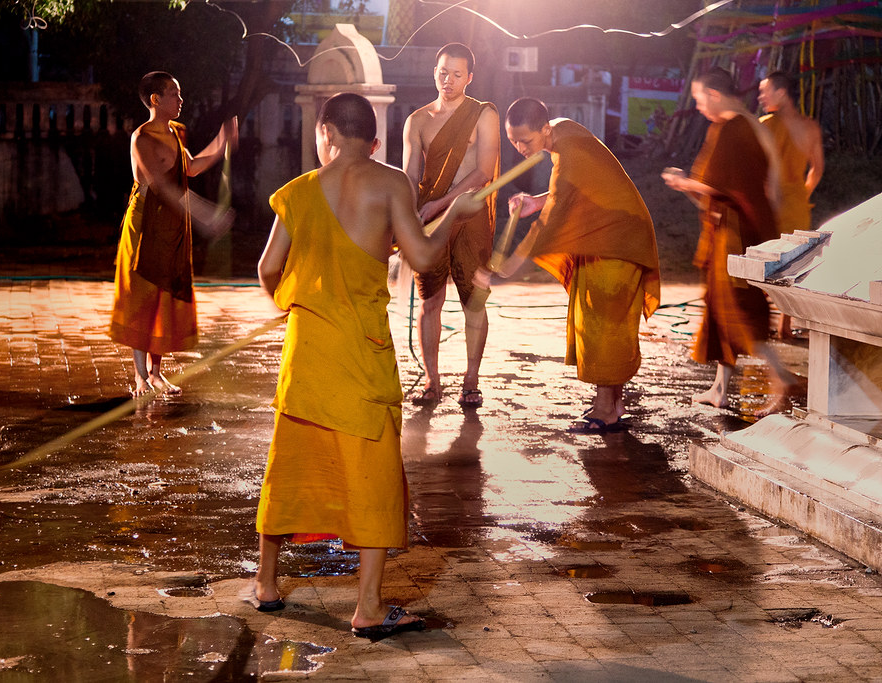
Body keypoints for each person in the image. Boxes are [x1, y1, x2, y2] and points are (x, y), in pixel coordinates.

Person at [253, 93, 483, 638]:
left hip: (308, 354)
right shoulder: (390, 183)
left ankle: (265, 585)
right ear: (373, 140)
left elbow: (267, 268)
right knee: (376, 475)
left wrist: (298, 300)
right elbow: (424, 258)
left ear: (325, 132)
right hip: (362, 354)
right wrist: (456, 213)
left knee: (289, 467)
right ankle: (369, 607)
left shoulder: (301, 191)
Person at [489, 98, 661, 432]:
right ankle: (612, 402)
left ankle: (606, 408)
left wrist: (510, 268)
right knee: (605, 322)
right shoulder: (564, 128)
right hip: (610, 235)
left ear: (544, 129)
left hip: (617, 240)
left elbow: (552, 220)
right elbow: (568, 192)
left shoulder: (568, 154)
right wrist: (537, 200)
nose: (521, 147)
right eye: (514, 140)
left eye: (526, 140)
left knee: (601, 325)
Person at [663, 67, 795, 412]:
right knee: (720, 311)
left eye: (699, 98)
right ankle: (720, 389)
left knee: (740, 314)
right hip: (734, 230)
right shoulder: (747, 125)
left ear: (715, 95)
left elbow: (725, 189)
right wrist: (692, 187)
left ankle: (781, 378)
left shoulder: (735, 130)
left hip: (735, 237)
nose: (698, 106)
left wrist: (684, 182)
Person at [108, 71, 236, 396]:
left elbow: (189, 168)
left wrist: (222, 143)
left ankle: (155, 372)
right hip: (146, 222)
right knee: (142, 293)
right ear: (155, 99)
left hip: (173, 224)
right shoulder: (143, 138)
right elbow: (162, 187)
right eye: (174, 94)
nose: (181, 100)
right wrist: (206, 214)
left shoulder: (175, 133)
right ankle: (139, 375)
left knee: (164, 292)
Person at [402, 42, 501, 407]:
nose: (449, 80)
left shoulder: (483, 114)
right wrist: (408, 211)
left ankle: (471, 380)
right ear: (434, 72)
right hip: (428, 217)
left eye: (457, 74)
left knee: (474, 301)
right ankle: (432, 381)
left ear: (470, 78)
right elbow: (410, 173)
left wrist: (443, 204)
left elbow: (483, 171)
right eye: (443, 72)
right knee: (430, 301)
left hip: (469, 214)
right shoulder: (418, 120)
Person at [758, 71, 824, 338]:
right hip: (796, 203)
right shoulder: (810, 127)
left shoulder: (764, 125)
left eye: (765, 91)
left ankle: (762, 321)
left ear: (781, 93)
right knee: (792, 264)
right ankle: (785, 324)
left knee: (763, 261)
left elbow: (757, 169)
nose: (761, 97)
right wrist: (802, 194)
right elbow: (817, 169)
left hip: (769, 203)